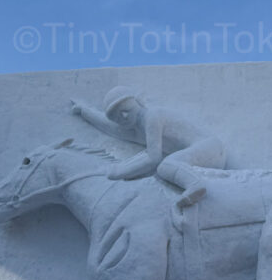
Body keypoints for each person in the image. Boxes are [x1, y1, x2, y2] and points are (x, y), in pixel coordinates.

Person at [71, 86, 226, 207]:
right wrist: (85, 111)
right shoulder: (137, 132)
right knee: (162, 172)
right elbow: (111, 128)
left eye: (127, 110)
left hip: (210, 149)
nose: (124, 116)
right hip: (195, 158)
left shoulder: (153, 116)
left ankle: (195, 184)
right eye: (118, 117)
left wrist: (119, 171)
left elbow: (153, 158)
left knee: (165, 165)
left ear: (138, 102)